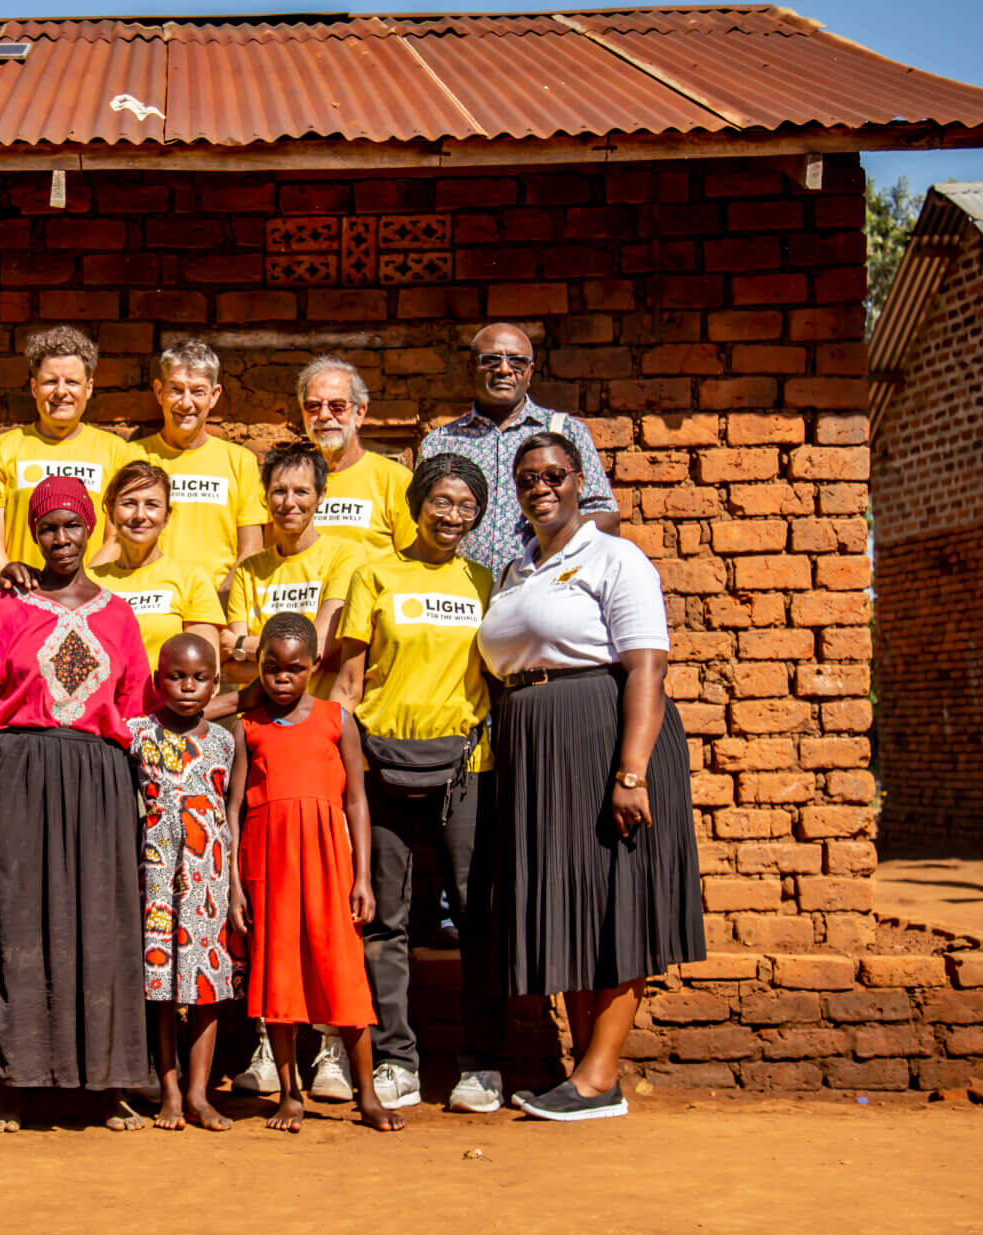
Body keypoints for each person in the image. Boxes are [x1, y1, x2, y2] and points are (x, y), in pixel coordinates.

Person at [476, 432, 705, 1122]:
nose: (540, 487)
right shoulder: (518, 569)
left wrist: (631, 772)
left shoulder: (614, 556)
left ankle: (599, 1076)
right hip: (537, 749)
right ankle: (585, 1074)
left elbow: (647, 667)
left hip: (601, 737)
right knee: (570, 905)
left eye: (553, 474)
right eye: (527, 478)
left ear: (579, 480)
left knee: (613, 901)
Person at [0, 477, 155, 1133]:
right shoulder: (7, 607)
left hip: (100, 783)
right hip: (19, 775)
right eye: (48, 527)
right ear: (33, 534)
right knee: (16, 921)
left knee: (102, 925)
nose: (61, 538)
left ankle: (107, 1083)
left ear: (91, 529)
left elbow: (137, 713)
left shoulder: (119, 615)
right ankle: (12, 1083)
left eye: (72, 525)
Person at [331, 452, 507, 1116]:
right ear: (417, 505)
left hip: (468, 766)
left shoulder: (484, 582)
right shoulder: (374, 574)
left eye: (466, 506)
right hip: (381, 764)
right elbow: (349, 683)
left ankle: (480, 1065)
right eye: (441, 501)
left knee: (476, 917)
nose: (452, 516)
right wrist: (343, 766)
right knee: (385, 919)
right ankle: (396, 1061)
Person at [225, 613, 404, 1135]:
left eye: (295, 668)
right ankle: (290, 1094)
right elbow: (233, 810)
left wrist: (363, 877)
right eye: (272, 667)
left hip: (329, 866)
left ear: (314, 665)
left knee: (342, 972)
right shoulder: (248, 728)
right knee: (278, 976)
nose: (282, 678)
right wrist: (235, 886)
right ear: (259, 665)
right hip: (268, 866)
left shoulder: (337, 719)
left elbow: (357, 801)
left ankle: (366, 1095)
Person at [130, 634, 239, 1132]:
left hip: (207, 878)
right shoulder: (138, 734)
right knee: (159, 986)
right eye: (176, 677)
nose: (188, 687)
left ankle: (198, 1092)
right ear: (158, 681)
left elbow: (229, 814)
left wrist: (232, 882)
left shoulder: (225, 741)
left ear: (216, 683)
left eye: (199, 678)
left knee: (204, 984)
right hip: (155, 877)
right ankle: (169, 1089)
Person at [418, 323, 620, 577]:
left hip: (541, 586)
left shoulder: (566, 433)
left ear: (530, 372)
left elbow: (607, 519)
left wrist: (552, 529)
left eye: (517, 362)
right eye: (491, 360)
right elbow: (417, 523)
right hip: (458, 590)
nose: (504, 369)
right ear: (471, 368)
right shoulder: (440, 443)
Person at [0, 325, 140, 571]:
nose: (61, 391)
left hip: (93, 590)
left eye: (72, 382)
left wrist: (87, 588)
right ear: (34, 388)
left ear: (88, 388)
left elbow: (118, 538)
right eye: (50, 382)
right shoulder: (3, 449)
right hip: (21, 591)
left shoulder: (116, 452)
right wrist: (13, 586)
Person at [223, 442, 363, 702]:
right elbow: (233, 669)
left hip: (317, 715)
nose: (289, 503)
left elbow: (317, 651)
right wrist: (300, 660)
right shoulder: (248, 570)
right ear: (265, 496)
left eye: (301, 492)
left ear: (321, 494)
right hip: (257, 718)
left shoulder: (345, 556)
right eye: (279, 491)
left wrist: (243, 645)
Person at [132, 339, 267, 597]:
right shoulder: (133, 456)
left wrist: (218, 603)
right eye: (176, 390)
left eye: (198, 392)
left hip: (218, 604)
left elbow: (251, 550)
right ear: (159, 391)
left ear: (214, 396)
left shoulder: (240, 462)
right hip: (149, 603)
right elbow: (115, 542)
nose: (186, 403)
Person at [89, 461, 224, 667]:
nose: (140, 515)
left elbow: (204, 672)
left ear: (167, 515)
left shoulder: (192, 580)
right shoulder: (89, 583)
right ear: (111, 511)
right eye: (129, 503)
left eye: (151, 505)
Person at [295, 356, 417, 566]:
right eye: (313, 407)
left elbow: (413, 564)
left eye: (337, 406)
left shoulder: (395, 481)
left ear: (359, 413)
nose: (324, 415)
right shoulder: (289, 482)